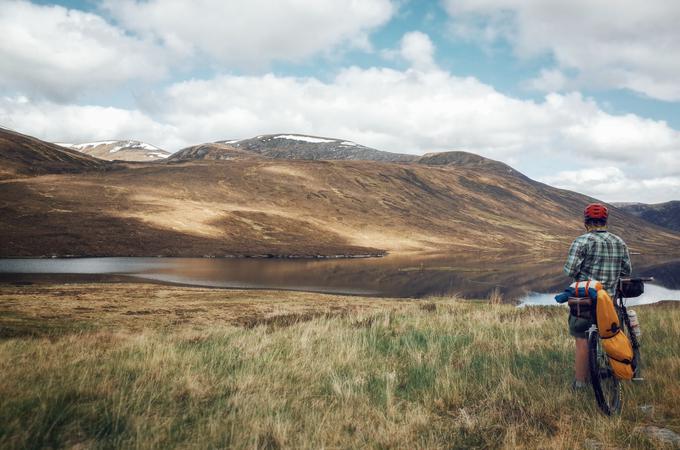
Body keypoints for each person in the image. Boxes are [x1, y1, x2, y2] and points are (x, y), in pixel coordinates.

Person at [563, 203, 632, 389]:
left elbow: (570, 270)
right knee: (612, 336)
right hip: (608, 301)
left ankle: (580, 383)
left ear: (586, 222)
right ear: (605, 221)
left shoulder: (581, 241)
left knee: (582, 338)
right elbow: (626, 270)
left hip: (585, 301)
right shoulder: (619, 241)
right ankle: (618, 372)